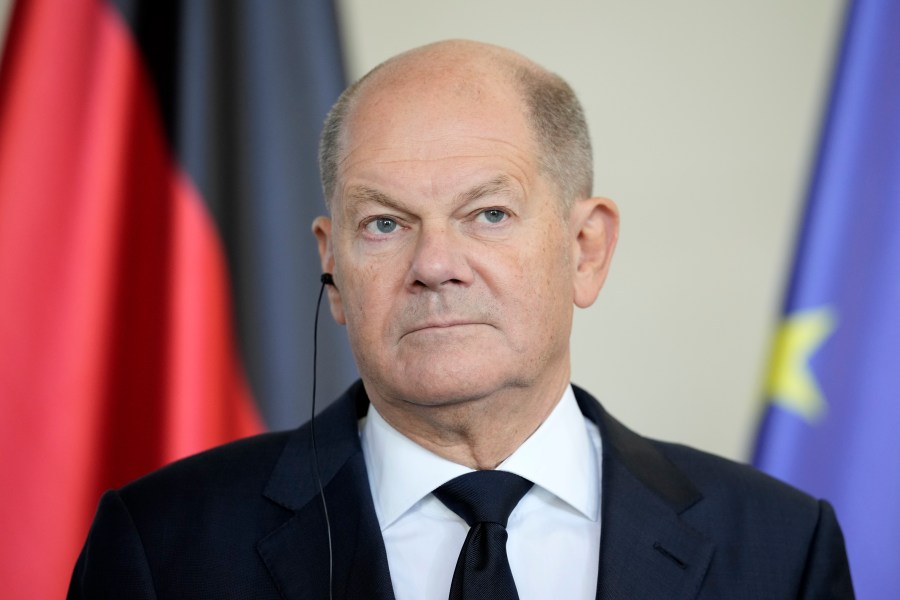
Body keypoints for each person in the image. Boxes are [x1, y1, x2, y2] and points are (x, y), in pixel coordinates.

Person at [69, 40, 854, 599]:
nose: (434, 263)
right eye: (383, 223)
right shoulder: (164, 546)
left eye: (487, 213)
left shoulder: (780, 547)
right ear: (332, 268)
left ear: (585, 249)